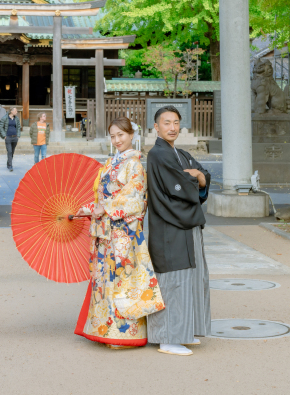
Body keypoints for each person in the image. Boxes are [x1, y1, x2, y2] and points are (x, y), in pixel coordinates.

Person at [74, 117, 164, 348]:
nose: (117, 140)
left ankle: (124, 335)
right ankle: (105, 329)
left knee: (122, 281)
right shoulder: (112, 162)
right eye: (113, 136)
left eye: (121, 135)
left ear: (131, 135)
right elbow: (104, 197)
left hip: (124, 232)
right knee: (104, 279)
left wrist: (105, 207)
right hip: (106, 231)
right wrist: (91, 209)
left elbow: (135, 198)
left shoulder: (134, 163)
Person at [145, 105, 211, 356]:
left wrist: (199, 177)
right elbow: (183, 184)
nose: (172, 127)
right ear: (156, 127)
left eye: (176, 123)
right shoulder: (158, 154)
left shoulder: (180, 153)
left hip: (186, 223)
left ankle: (183, 331)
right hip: (169, 227)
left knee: (190, 280)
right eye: (166, 123)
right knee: (173, 281)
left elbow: (202, 175)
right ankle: (167, 338)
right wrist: (197, 177)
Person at [0, 107, 22, 172]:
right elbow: (1, 127)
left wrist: (18, 135)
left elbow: (18, 127)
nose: (16, 112)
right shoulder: (5, 118)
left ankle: (8, 163)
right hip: (8, 137)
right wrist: (4, 136)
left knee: (12, 151)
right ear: (11, 111)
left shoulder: (16, 118)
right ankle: (10, 166)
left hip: (15, 137)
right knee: (10, 151)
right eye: (15, 111)